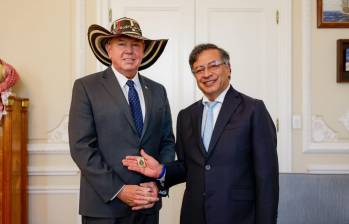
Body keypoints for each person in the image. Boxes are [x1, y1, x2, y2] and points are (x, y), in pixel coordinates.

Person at [122, 43, 279, 224]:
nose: (206, 74)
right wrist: (161, 170)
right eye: (199, 70)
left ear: (228, 69)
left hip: (239, 217)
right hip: (194, 216)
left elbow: (267, 178)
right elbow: (186, 167)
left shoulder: (253, 110)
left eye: (213, 66)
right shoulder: (186, 116)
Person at [68, 17, 175, 224]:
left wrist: (158, 182)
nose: (129, 51)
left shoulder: (157, 90)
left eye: (136, 45)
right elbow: (81, 147)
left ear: (143, 50)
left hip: (147, 205)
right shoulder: (86, 87)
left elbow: (167, 142)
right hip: (104, 208)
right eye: (121, 44)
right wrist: (120, 190)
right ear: (109, 49)